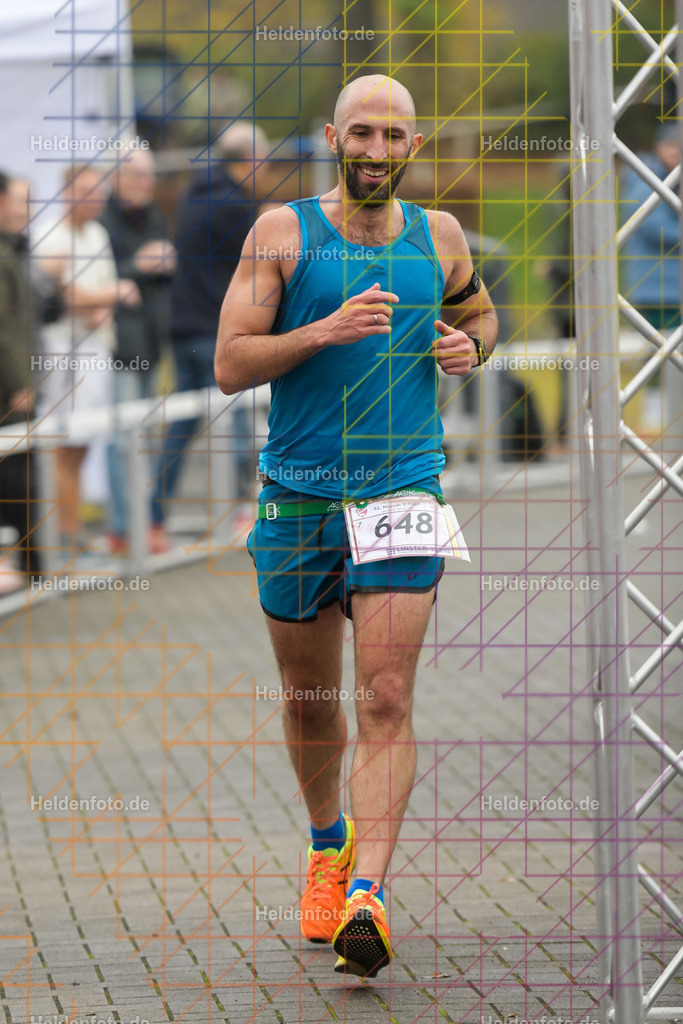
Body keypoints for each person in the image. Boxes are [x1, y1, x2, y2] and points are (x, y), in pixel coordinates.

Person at [215, 76, 498, 978]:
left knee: (384, 697)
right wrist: (322, 331)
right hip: (296, 496)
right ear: (335, 137)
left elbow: (482, 313)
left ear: (413, 147)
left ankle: (367, 897)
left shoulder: (437, 237)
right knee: (309, 701)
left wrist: (472, 346)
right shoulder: (281, 234)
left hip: (402, 491)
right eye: (362, 133)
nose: (375, 150)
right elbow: (228, 363)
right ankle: (326, 845)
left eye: (394, 136)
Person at [149, 123, 269, 551]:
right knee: (236, 421)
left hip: (183, 327)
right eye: (263, 163)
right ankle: (239, 512)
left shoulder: (192, 196)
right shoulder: (235, 206)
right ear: (248, 160)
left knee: (183, 425)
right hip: (213, 330)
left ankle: (154, 516)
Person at [34, 165, 140, 551]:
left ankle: (70, 531)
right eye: (85, 191)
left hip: (95, 347)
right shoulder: (51, 236)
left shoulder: (97, 234)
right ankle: (61, 535)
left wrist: (103, 299)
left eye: (98, 191)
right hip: (65, 351)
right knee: (62, 443)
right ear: (67, 193)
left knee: (81, 444)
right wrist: (114, 293)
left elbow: (94, 294)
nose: (93, 198)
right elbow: (68, 298)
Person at [98, 146, 176, 555]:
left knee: (141, 436)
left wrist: (163, 262)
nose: (145, 185)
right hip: (118, 347)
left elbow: (162, 273)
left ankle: (140, 524)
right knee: (121, 440)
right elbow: (98, 276)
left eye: (149, 177)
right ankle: (122, 528)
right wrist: (138, 265)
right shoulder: (102, 221)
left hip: (151, 341)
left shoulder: (156, 217)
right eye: (137, 177)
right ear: (117, 178)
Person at [0, 172, 40, 592]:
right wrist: (20, 382)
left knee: (23, 477)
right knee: (16, 481)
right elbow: (4, 326)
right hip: (10, 393)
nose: (26, 211)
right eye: (19, 202)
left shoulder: (16, 250)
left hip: (18, 386)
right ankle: (30, 568)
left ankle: (33, 567)